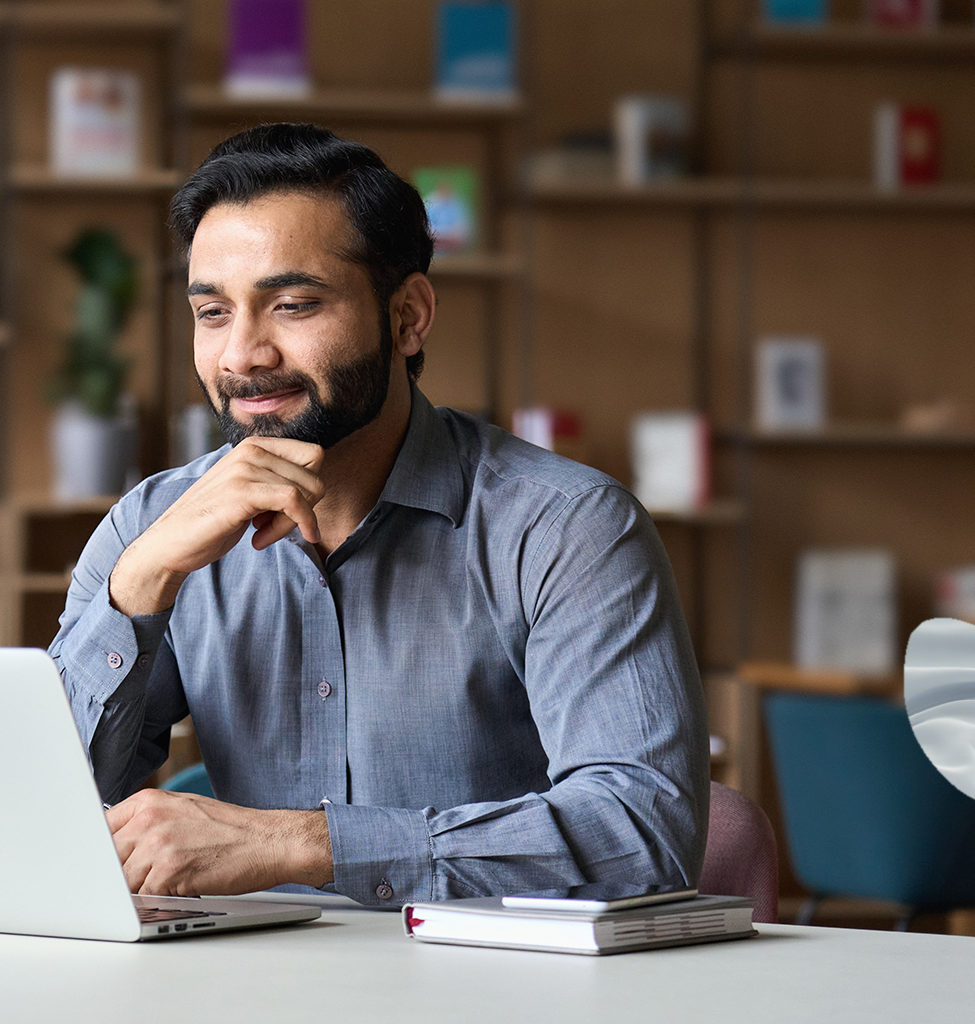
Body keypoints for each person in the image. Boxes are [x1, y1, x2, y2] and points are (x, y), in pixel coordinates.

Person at [50, 123, 708, 906]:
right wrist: (141, 586)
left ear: (408, 317)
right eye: (213, 313)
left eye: (292, 304)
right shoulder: (149, 527)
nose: (241, 356)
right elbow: (34, 815)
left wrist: (304, 843)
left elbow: (643, 833)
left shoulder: (568, 528)